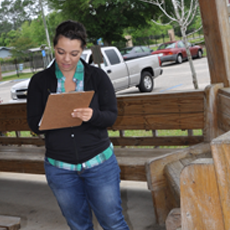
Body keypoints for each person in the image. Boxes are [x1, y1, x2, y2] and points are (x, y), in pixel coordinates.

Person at [27, 20, 130, 230]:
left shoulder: (97, 77)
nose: (66, 59)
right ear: (53, 48)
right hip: (60, 168)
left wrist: (92, 115)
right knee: (79, 226)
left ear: (82, 50)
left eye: (74, 54)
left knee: (113, 223)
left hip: (99, 164)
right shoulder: (39, 81)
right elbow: (34, 124)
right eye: (60, 51)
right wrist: (53, 116)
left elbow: (111, 116)